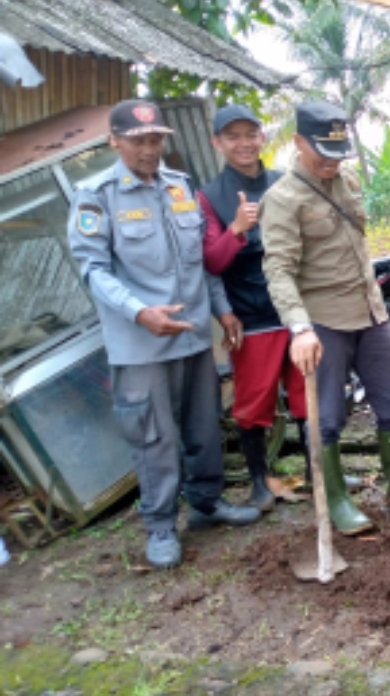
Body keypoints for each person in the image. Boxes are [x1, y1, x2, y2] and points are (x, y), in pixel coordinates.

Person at [67, 99, 261, 570]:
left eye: (156, 140)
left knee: (202, 426)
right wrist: (140, 313)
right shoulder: (97, 195)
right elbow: (92, 270)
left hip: (193, 334)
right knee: (153, 435)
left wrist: (222, 310)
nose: (150, 149)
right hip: (141, 343)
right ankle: (158, 525)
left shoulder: (179, 187)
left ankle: (206, 504)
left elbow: (198, 261)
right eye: (138, 140)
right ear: (114, 141)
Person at [260, 100, 390, 536]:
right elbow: (278, 269)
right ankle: (335, 497)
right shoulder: (282, 199)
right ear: (298, 142)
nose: (332, 161)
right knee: (327, 416)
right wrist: (299, 327)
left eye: (338, 152)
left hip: (370, 312)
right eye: (322, 151)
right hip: (323, 322)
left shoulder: (348, 179)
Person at [199, 104, 305, 512]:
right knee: (253, 404)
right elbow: (212, 262)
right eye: (232, 136)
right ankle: (261, 483)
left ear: (262, 137)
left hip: (295, 312)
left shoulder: (286, 182)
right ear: (218, 143)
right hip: (251, 317)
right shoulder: (209, 196)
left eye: (250, 134)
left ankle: (320, 474)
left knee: (306, 394)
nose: (243, 143)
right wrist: (237, 230)